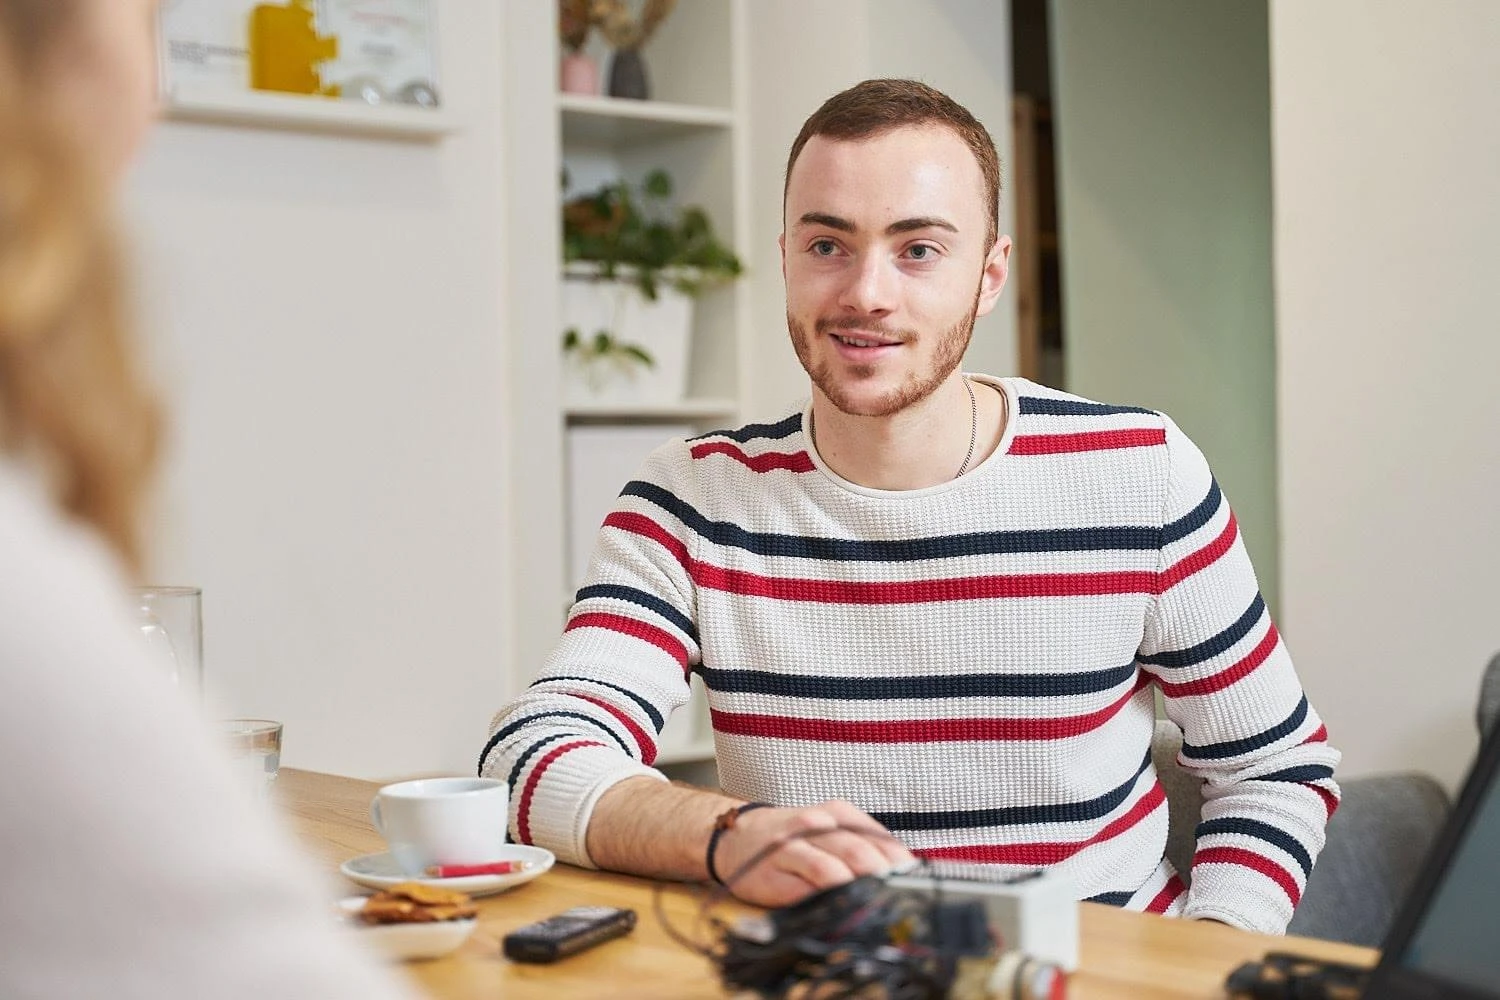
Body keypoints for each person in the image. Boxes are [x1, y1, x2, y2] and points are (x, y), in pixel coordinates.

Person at [482, 79, 1340, 935]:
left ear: (990, 274)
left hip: (1092, 976)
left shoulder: (1140, 474)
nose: (867, 293)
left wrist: (1208, 966)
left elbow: (1275, 768)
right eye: (828, 245)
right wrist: (725, 835)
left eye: (919, 249)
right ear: (785, 258)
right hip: (822, 975)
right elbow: (531, 755)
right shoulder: (692, 499)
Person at [0, 2, 415, 996]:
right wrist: (719, 828)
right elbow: (546, 744)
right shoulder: (686, 489)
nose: (161, 92)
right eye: (153, 21)